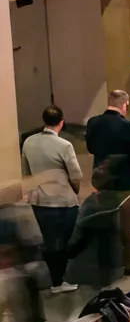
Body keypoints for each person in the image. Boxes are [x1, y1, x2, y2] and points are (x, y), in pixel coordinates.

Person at [21, 105, 82, 293]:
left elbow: (26, 172)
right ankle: (60, 280)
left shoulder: (29, 142)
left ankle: (54, 279)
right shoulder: (64, 145)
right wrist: (75, 191)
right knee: (64, 242)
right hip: (63, 201)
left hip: (39, 200)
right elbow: (76, 175)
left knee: (50, 240)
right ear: (61, 123)